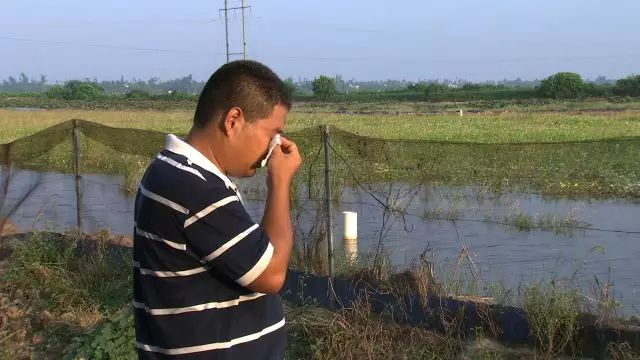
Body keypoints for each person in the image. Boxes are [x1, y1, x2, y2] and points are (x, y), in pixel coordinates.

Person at [132, 60, 301, 359]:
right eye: (271, 133)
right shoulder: (195, 188)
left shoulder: (171, 171)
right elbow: (271, 273)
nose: (273, 148)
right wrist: (279, 180)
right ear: (233, 119)